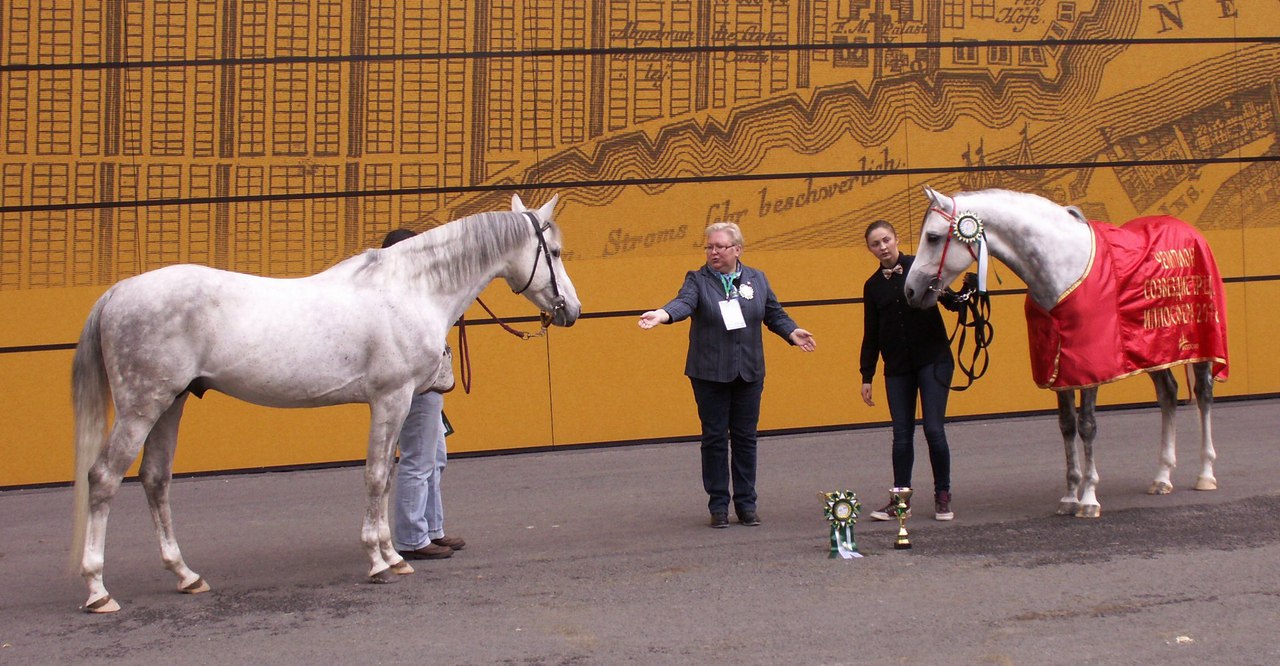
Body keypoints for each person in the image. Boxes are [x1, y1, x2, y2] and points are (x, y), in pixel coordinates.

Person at [639, 222, 816, 528]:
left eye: (720, 247)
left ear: (737, 250)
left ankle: (746, 504)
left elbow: (774, 313)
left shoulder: (757, 279)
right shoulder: (697, 280)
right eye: (709, 247)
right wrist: (663, 315)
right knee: (715, 439)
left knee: (746, 439)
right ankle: (718, 505)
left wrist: (792, 332)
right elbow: (684, 303)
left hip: (749, 371)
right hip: (709, 373)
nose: (713, 252)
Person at [859, 219, 959, 522]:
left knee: (933, 429)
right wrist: (867, 376)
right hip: (898, 367)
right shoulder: (872, 286)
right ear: (870, 249)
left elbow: (951, 302)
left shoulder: (921, 267)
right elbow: (871, 334)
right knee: (901, 434)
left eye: (886, 240)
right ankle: (900, 500)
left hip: (933, 359)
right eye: (875, 244)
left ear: (896, 238)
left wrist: (954, 295)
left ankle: (943, 494)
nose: (882, 247)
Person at [382, 228, 467, 559]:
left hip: (429, 383)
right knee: (418, 460)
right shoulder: (399, 297)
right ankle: (412, 538)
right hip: (416, 385)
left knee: (434, 459)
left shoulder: (413, 292)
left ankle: (432, 529)